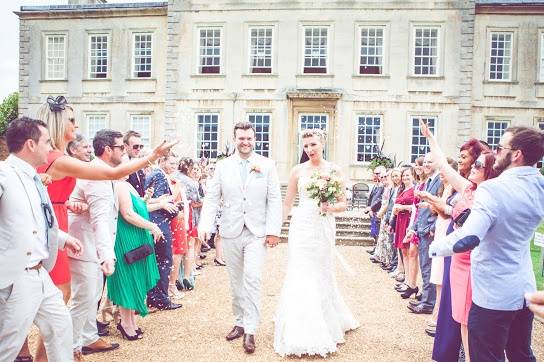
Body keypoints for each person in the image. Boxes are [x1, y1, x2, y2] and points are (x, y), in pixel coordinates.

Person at [430, 126, 544, 362]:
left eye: (501, 148)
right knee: (521, 354)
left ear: (516, 155)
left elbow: (469, 238)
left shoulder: (493, 189)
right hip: (524, 287)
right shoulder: (540, 185)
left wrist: (436, 247)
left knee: (486, 356)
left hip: (493, 294)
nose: (497, 152)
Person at [0, 117, 83, 362]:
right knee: (8, 346)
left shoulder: (33, 176)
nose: (51, 148)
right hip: (16, 277)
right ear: (31, 145)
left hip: (39, 273)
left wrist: (62, 238)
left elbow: (36, 221)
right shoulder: (4, 175)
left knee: (60, 327)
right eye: (47, 142)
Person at [273, 128, 359, 357]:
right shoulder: (297, 170)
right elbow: (287, 203)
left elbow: (343, 204)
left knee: (321, 271)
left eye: (313, 145)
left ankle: (327, 320)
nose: (310, 149)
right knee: (300, 270)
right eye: (306, 146)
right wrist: (275, 228)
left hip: (323, 226)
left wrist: (329, 207)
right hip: (301, 226)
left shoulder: (334, 170)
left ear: (323, 144)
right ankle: (300, 327)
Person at [199, 121, 282, 354]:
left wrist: (274, 230)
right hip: (231, 230)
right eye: (241, 138)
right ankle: (239, 321)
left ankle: (251, 330)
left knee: (252, 279)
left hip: (257, 232)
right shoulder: (223, 166)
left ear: (255, 139)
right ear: (234, 139)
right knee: (236, 280)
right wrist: (205, 224)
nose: (245, 142)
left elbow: (274, 199)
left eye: (249, 138)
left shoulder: (267, 165)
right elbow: (213, 197)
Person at [421, 120, 498, 359]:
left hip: (475, 259)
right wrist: (431, 139)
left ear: (489, 170)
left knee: (470, 319)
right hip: (458, 260)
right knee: (460, 317)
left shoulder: (492, 194)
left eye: (478, 165)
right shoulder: (468, 188)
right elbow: (444, 166)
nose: (472, 168)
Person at [68, 129, 127, 357]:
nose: (123, 151)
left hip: (90, 244)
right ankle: (71, 349)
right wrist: (107, 255)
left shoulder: (104, 171)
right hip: (83, 245)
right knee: (83, 298)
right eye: (121, 147)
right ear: (108, 150)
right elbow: (101, 219)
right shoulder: (96, 175)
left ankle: (89, 337)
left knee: (92, 296)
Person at [107, 175, 171, 339]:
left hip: (136, 235)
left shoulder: (127, 185)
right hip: (127, 236)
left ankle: (130, 321)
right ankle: (125, 323)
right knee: (127, 279)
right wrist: (152, 226)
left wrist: (148, 199)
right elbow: (127, 214)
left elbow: (139, 207)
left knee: (135, 278)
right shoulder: (120, 185)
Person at [145, 156, 182, 311]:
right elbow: (162, 202)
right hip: (158, 221)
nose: (174, 166)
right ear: (162, 161)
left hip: (155, 219)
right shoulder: (158, 175)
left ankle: (156, 297)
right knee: (164, 259)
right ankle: (160, 299)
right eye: (171, 162)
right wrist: (173, 205)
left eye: (176, 163)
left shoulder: (154, 174)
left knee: (158, 259)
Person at [407, 153, 442, 314]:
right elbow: (422, 208)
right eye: (425, 162)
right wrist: (413, 228)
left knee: (428, 267)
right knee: (425, 267)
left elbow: (440, 205)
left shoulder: (439, 180)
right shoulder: (428, 181)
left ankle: (429, 303)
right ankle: (426, 298)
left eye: (430, 162)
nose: (426, 165)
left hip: (429, 230)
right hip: (421, 229)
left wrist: (432, 227)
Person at [124, 130, 146, 197]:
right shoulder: (122, 165)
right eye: (135, 146)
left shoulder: (139, 167)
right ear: (125, 146)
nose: (139, 149)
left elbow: (141, 196)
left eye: (141, 146)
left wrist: (148, 196)